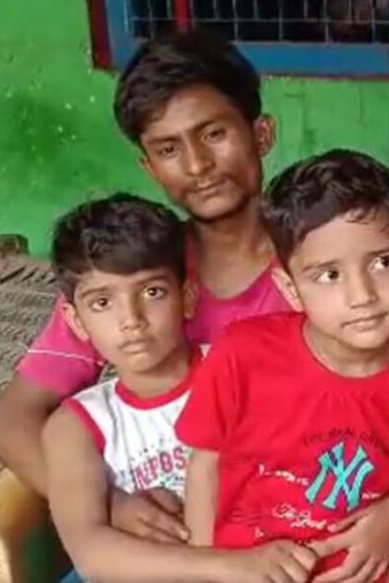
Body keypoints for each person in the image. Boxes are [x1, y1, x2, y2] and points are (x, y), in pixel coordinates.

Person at [0, 30, 389, 581]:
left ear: (260, 133)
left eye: (213, 133)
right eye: (168, 148)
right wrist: (110, 504)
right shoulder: (135, 275)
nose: (197, 165)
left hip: (310, 543)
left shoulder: (331, 268)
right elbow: (11, 421)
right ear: (149, 167)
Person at [175, 150, 389, 580]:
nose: (362, 294)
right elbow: (205, 466)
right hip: (251, 569)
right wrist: (203, 566)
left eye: (382, 263)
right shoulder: (242, 357)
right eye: (329, 275)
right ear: (289, 287)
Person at [43, 194, 321, 582]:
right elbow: (91, 552)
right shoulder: (76, 426)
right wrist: (226, 568)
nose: (131, 320)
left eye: (152, 292)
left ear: (187, 298)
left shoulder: (243, 369)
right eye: (103, 302)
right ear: (75, 320)